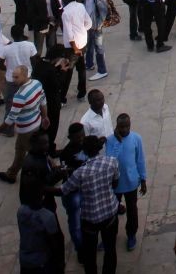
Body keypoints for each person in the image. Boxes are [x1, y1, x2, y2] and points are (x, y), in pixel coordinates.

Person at [60, 133, 122, 274]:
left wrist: (44, 188)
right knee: (110, 249)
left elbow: (64, 190)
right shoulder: (111, 162)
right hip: (110, 213)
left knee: (90, 255)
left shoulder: (80, 173)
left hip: (90, 219)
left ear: (85, 151)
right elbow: (115, 183)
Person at [106, 113, 147, 252]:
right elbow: (110, 159)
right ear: (117, 126)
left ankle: (131, 234)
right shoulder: (111, 140)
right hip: (115, 183)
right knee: (112, 211)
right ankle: (110, 236)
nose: (124, 130)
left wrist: (143, 178)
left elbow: (140, 160)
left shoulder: (136, 138)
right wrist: (118, 141)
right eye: (121, 127)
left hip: (131, 182)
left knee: (132, 209)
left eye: (126, 126)